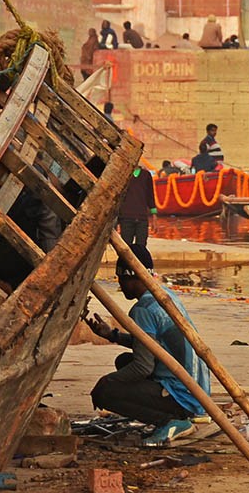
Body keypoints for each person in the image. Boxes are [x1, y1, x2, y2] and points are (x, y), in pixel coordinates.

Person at [86, 244, 211, 447]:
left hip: (183, 396)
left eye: (121, 279)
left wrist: (105, 381)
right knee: (123, 361)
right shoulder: (165, 295)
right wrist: (113, 336)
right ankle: (171, 413)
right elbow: (152, 344)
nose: (120, 284)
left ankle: (170, 421)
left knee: (105, 392)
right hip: (197, 390)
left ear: (131, 277)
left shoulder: (143, 309)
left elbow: (143, 367)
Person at [118, 165, 156, 247]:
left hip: (141, 217)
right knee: (126, 247)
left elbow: (150, 195)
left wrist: (154, 215)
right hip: (126, 217)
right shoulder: (123, 174)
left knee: (141, 246)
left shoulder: (146, 175)